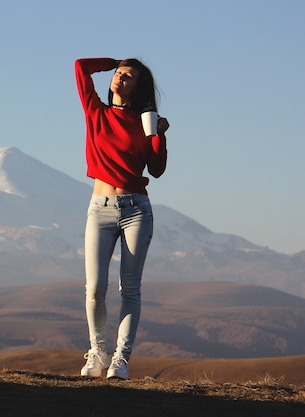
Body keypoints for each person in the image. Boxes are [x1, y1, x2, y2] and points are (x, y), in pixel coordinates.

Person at [75, 57, 169, 379]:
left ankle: (121, 359)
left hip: (136, 210)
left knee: (129, 288)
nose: (120, 78)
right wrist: (114, 61)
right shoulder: (95, 111)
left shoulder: (144, 123)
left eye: (128, 76)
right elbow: (80, 66)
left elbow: (156, 170)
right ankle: (97, 352)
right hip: (99, 207)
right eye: (118, 74)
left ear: (137, 88)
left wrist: (158, 135)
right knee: (94, 288)